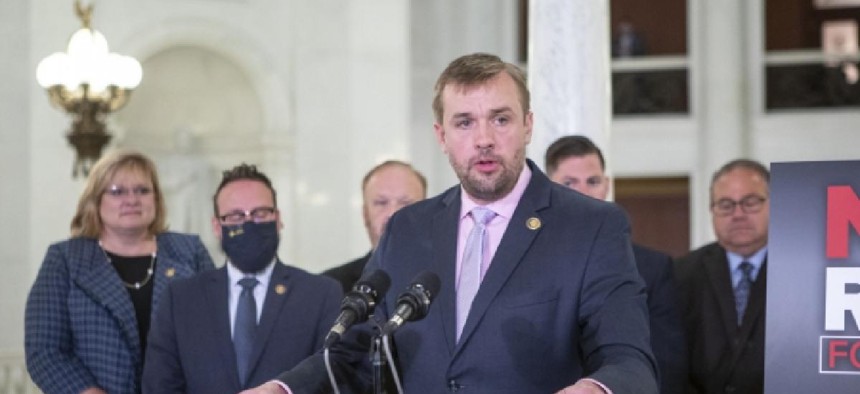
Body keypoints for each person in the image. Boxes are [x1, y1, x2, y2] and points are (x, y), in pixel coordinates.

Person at [246, 53, 657, 394]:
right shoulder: (408, 228)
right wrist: (284, 389)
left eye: (500, 119)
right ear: (441, 136)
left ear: (528, 125)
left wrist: (597, 388)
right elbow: (356, 353)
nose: (483, 139)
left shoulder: (590, 226)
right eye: (464, 123)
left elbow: (629, 361)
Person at [142, 164, 346, 393]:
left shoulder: (320, 294)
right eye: (236, 216)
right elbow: (160, 386)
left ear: (278, 219)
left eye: (260, 213)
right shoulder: (181, 299)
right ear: (217, 227)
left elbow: (334, 375)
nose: (249, 224)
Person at [25, 150, 215, 394]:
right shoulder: (65, 260)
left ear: (156, 198)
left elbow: (217, 335)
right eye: (117, 191)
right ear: (95, 200)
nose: (132, 199)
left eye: (142, 190)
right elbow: (44, 351)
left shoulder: (190, 252)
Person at [544, 135, 687, 394]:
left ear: (607, 185)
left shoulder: (654, 268)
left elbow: (666, 365)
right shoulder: (530, 263)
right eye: (569, 183)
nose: (584, 192)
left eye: (593, 181)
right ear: (549, 189)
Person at [674, 159, 769, 394]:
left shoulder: (799, 272)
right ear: (712, 211)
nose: (738, 214)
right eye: (726, 205)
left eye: (750, 202)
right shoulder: (682, 273)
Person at [322, 160, 427, 293]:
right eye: (381, 203)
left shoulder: (454, 281)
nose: (393, 213)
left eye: (406, 203)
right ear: (365, 214)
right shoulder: (330, 288)